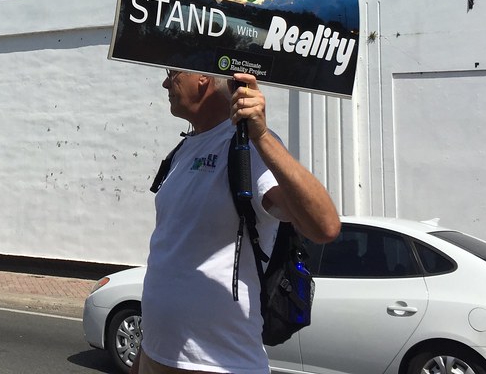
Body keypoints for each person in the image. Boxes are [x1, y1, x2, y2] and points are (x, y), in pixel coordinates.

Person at [133, 69, 340, 374]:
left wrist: (262, 136)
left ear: (202, 78)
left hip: (220, 364)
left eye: (173, 74)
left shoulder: (247, 146)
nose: (166, 83)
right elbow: (171, 256)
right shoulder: (182, 151)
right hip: (156, 355)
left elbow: (324, 226)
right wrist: (144, 354)